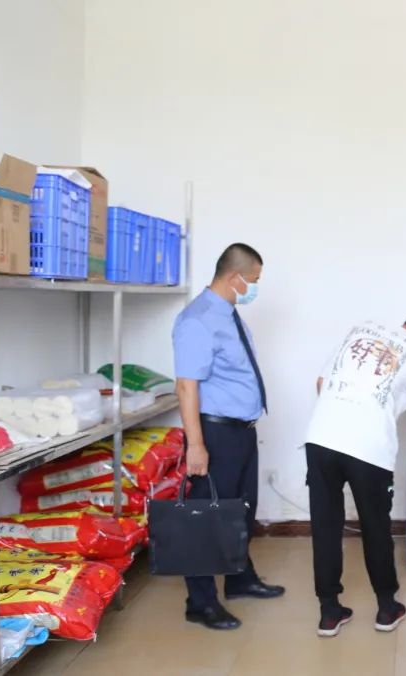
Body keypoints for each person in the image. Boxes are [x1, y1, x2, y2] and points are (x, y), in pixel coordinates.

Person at [305, 308, 406, 638]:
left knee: (325, 526)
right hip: (369, 450)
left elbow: (321, 382)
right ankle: (387, 608)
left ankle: (329, 612)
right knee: (375, 527)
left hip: (321, 438)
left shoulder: (362, 329)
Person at [171, 243, 284, 631]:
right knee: (206, 517)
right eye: (253, 280)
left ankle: (240, 578)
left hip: (241, 432)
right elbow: (186, 386)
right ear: (234, 277)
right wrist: (196, 445)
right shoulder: (197, 320)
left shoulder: (228, 315)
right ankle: (200, 602)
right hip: (215, 433)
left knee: (240, 510)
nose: (254, 287)